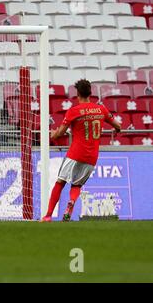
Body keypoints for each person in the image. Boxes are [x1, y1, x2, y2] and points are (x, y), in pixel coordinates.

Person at [41, 79, 121, 222]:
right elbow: (118, 126)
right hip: (92, 156)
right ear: (90, 93)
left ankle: (47, 216)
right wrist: (116, 129)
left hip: (75, 153)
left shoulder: (74, 111)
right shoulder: (101, 109)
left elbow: (60, 133)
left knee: (60, 182)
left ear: (77, 94)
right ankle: (71, 202)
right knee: (77, 184)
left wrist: (53, 134)